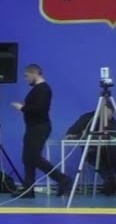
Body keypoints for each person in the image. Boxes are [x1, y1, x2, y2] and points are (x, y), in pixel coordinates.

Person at [10, 64, 72, 198]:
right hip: (32, 127)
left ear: (34, 73)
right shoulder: (37, 89)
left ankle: (63, 179)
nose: (26, 79)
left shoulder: (43, 89)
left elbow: (39, 109)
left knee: (33, 157)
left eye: (27, 76)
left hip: (39, 127)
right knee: (27, 158)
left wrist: (22, 108)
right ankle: (28, 189)